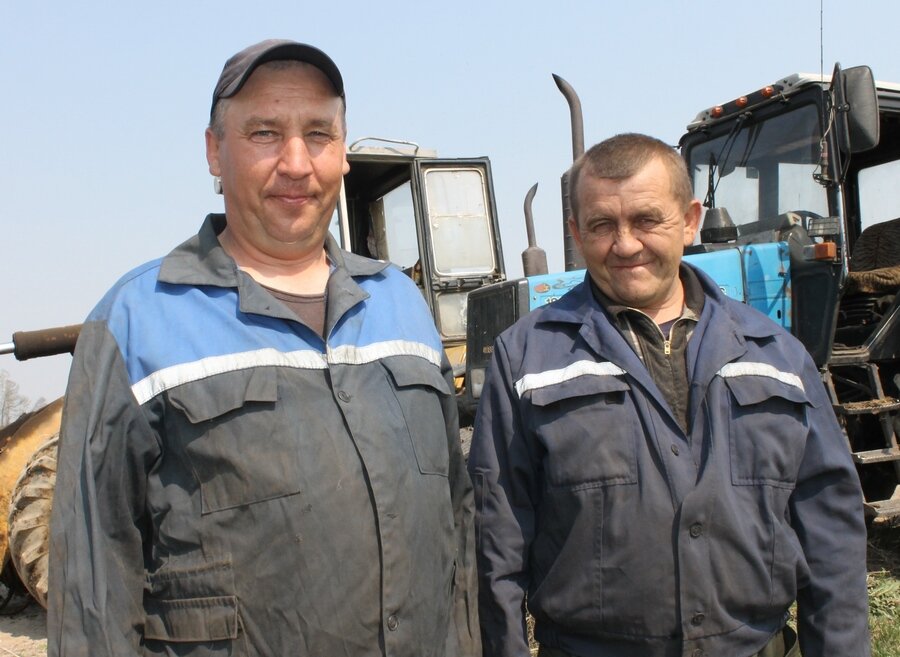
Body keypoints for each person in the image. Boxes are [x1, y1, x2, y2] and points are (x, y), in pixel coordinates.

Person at [48, 39, 479, 657]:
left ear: (343, 152)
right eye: (265, 133)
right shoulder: (135, 322)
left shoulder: (402, 306)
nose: (296, 163)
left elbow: (455, 526)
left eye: (319, 134)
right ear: (213, 151)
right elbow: (92, 590)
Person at [467, 133, 870, 657]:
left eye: (646, 220)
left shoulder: (777, 355)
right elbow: (497, 540)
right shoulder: (526, 359)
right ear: (576, 233)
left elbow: (830, 530)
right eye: (602, 225)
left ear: (689, 220)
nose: (625, 244)